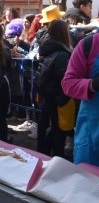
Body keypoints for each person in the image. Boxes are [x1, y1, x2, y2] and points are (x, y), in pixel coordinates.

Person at [49, 31, 99, 203]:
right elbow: (68, 83)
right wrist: (91, 85)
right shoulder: (89, 45)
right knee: (84, 190)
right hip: (91, 136)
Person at [35, 19, 72, 157]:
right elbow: (64, 80)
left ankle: (42, 152)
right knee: (58, 129)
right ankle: (56, 157)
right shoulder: (61, 54)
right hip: (56, 97)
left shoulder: (46, 48)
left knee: (45, 125)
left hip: (46, 95)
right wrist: (62, 99)